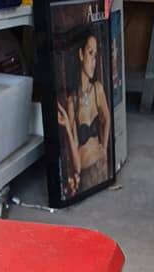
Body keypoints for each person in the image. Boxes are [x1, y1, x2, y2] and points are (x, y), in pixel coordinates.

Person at [57, 29, 111, 197]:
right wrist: (66, 126)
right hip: (84, 170)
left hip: (101, 164)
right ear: (81, 55)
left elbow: (107, 119)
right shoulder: (73, 101)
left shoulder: (98, 90)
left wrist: (104, 148)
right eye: (90, 53)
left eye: (95, 55)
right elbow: (72, 146)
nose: (94, 61)